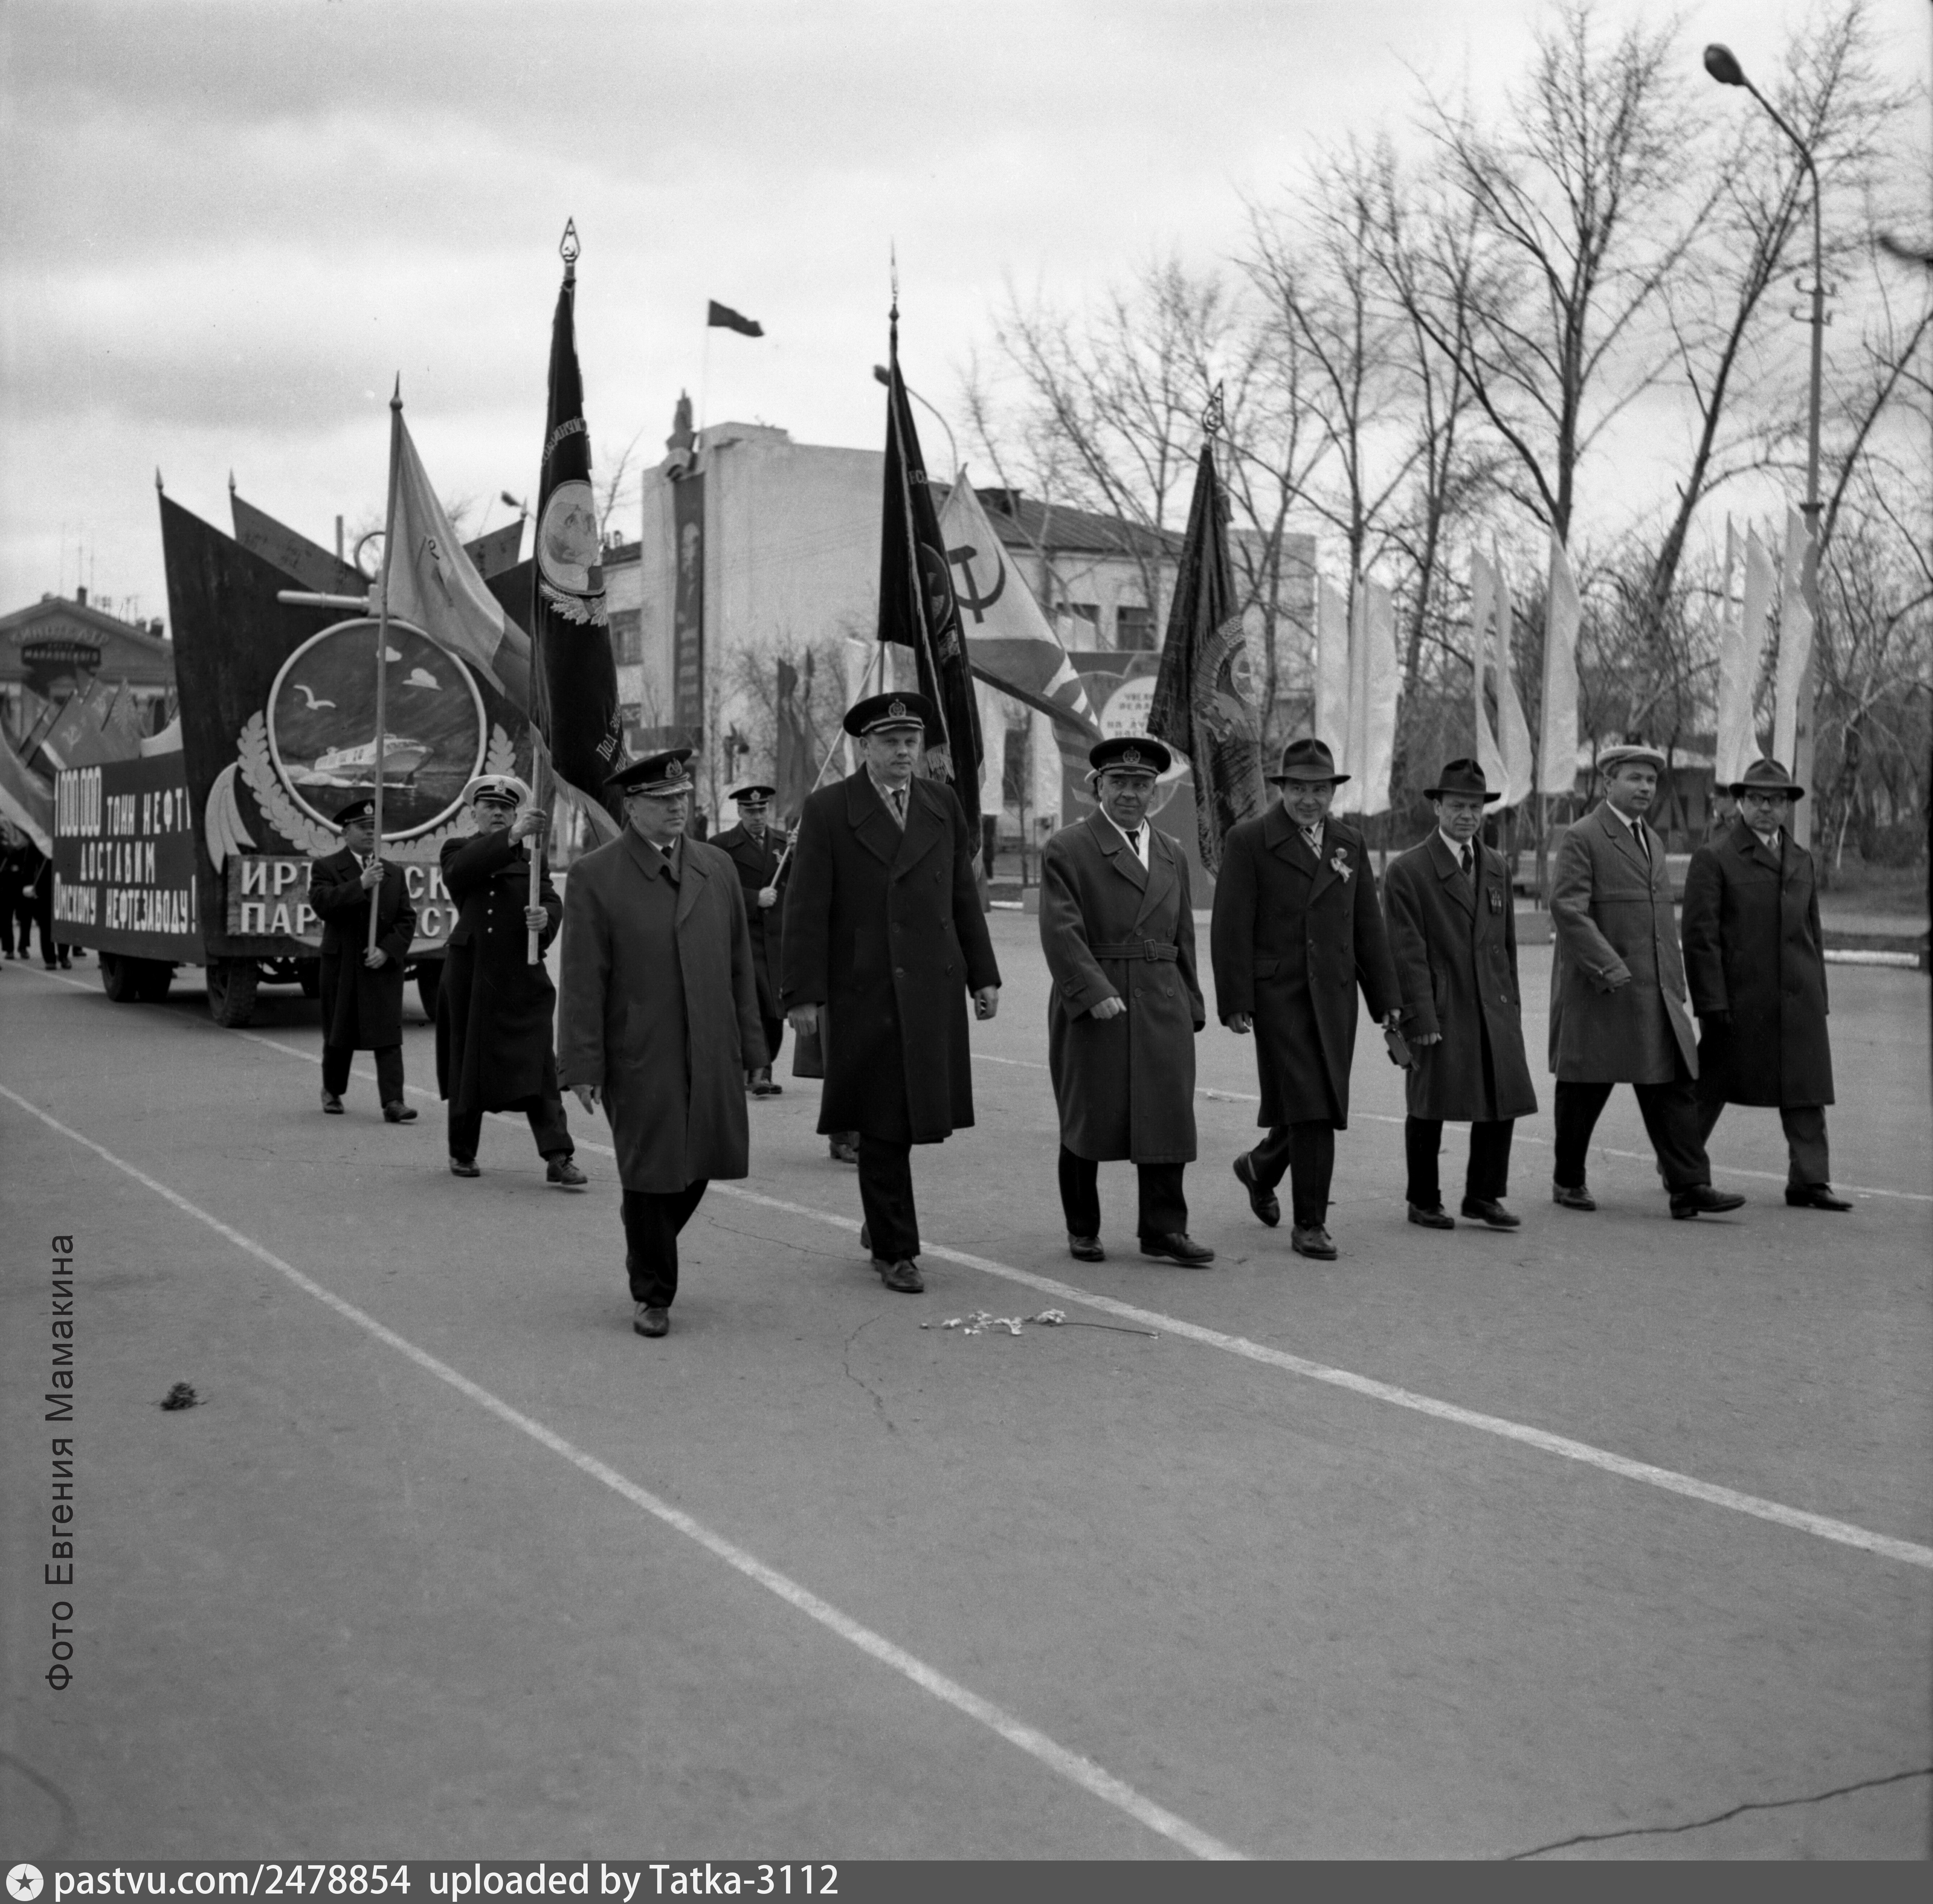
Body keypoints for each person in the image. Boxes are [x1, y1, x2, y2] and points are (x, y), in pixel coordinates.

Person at [781, 691, 1001, 1294]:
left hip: (931, 983)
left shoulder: (941, 803)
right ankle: (895, 1249)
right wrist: (802, 993)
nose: (904, 752)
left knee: (910, 1116)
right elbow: (806, 907)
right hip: (865, 986)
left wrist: (983, 975)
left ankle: (881, 1221)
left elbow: (962, 896)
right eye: (891, 742)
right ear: (865, 747)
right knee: (880, 1119)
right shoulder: (829, 809)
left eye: (912, 741)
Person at [558, 749, 766, 1339]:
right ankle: (652, 1293)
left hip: (711, 1045)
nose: (677, 808)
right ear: (631, 807)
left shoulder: (716, 867)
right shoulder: (596, 875)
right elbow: (582, 979)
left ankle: (644, 1236)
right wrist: (581, 1064)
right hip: (640, 1051)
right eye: (662, 800)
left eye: (682, 798)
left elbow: (739, 967)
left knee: (701, 1161)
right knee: (652, 1169)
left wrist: (754, 1051)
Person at [1210, 737, 1402, 1260]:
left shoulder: (1349, 842)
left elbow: (1368, 927)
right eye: (1298, 789)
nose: (1308, 800)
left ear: (1333, 792)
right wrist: (1235, 999)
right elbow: (1231, 926)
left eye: (1319, 790)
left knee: (1313, 1102)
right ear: (1283, 788)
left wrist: (1385, 998)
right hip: (1281, 996)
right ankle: (1311, 1225)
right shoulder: (1248, 841)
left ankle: (1260, 1167)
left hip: (1336, 997)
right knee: (1315, 1106)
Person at [1547, 742, 1744, 1218]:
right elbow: (1568, 910)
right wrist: (1609, 967)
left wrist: (1673, 984)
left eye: (1652, 780)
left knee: (1671, 1086)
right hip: (1601, 991)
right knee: (1584, 1088)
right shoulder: (1583, 836)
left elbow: (1660, 924)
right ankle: (1568, 1180)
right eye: (1634, 778)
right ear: (1608, 782)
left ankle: (1689, 1186)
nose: (1645, 788)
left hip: (1653, 995)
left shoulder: (1651, 841)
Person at [1039, 737, 1212, 1265]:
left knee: (1167, 1116)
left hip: (1162, 1001)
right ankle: (1083, 1227)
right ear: (1099, 787)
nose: (1130, 794)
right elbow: (1061, 931)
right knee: (1087, 1115)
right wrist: (1092, 991)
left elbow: (1183, 936)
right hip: (1096, 999)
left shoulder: (1172, 852)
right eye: (1119, 783)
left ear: (1154, 791)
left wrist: (1192, 1003)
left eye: (1141, 785)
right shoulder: (1069, 848)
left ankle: (1164, 1230)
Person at [1680, 757, 1848, 1212]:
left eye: (1775, 800)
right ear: (1740, 802)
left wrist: (1819, 996)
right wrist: (1710, 1002)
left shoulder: (1801, 859)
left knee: (1806, 1089)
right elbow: (1699, 938)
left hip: (1799, 1000)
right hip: (1739, 1000)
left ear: (1787, 806)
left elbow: (1813, 933)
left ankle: (1809, 1181)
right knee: (1711, 1085)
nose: (1766, 808)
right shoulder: (1715, 857)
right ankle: (1680, 1166)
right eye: (1756, 799)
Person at [1381, 759, 1537, 1230]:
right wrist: (1419, 1017)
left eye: (1475, 807)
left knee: (1501, 1098)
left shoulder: (1496, 865)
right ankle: (1423, 1199)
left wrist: (1511, 1006)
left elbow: (1506, 945)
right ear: (1437, 807)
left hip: (1493, 1005)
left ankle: (1483, 1195)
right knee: (1428, 1104)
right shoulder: (1408, 870)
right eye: (1456, 806)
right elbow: (1406, 952)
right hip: (1442, 1007)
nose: (1467, 815)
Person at [436, 773, 582, 1186]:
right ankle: (462, 1152)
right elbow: (462, 873)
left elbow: (550, 898)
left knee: (539, 1064)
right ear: (474, 813)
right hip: (472, 973)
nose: (498, 813)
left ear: (515, 812)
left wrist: (546, 919)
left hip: (522, 973)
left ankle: (558, 1156)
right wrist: (514, 836)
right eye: (490, 807)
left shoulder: (533, 859)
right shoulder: (457, 849)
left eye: (506, 808)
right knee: (468, 1062)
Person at [307, 796, 417, 1120]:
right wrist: (361, 884)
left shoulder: (393, 873)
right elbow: (323, 904)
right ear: (346, 832)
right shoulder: (327, 867)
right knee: (339, 1033)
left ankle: (393, 1102)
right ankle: (332, 1090)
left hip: (380, 965)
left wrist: (387, 950)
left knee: (388, 1035)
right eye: (363, 827)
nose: (370, 832)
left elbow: (406, 919)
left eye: (375, 827)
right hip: (342, 966)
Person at [713, 781, 790, 1096]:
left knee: (775, 1010)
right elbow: (716, 888)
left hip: (778, 942)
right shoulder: (722, 846)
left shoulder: (785, 843)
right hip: (745, 938)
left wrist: (802, 849)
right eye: (750, 811)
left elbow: (801, 882)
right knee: (752, 1004)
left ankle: (763, 1067)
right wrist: (753, 898)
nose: (757, 816)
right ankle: (758, 1072)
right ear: (740, 812)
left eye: (762, 810)